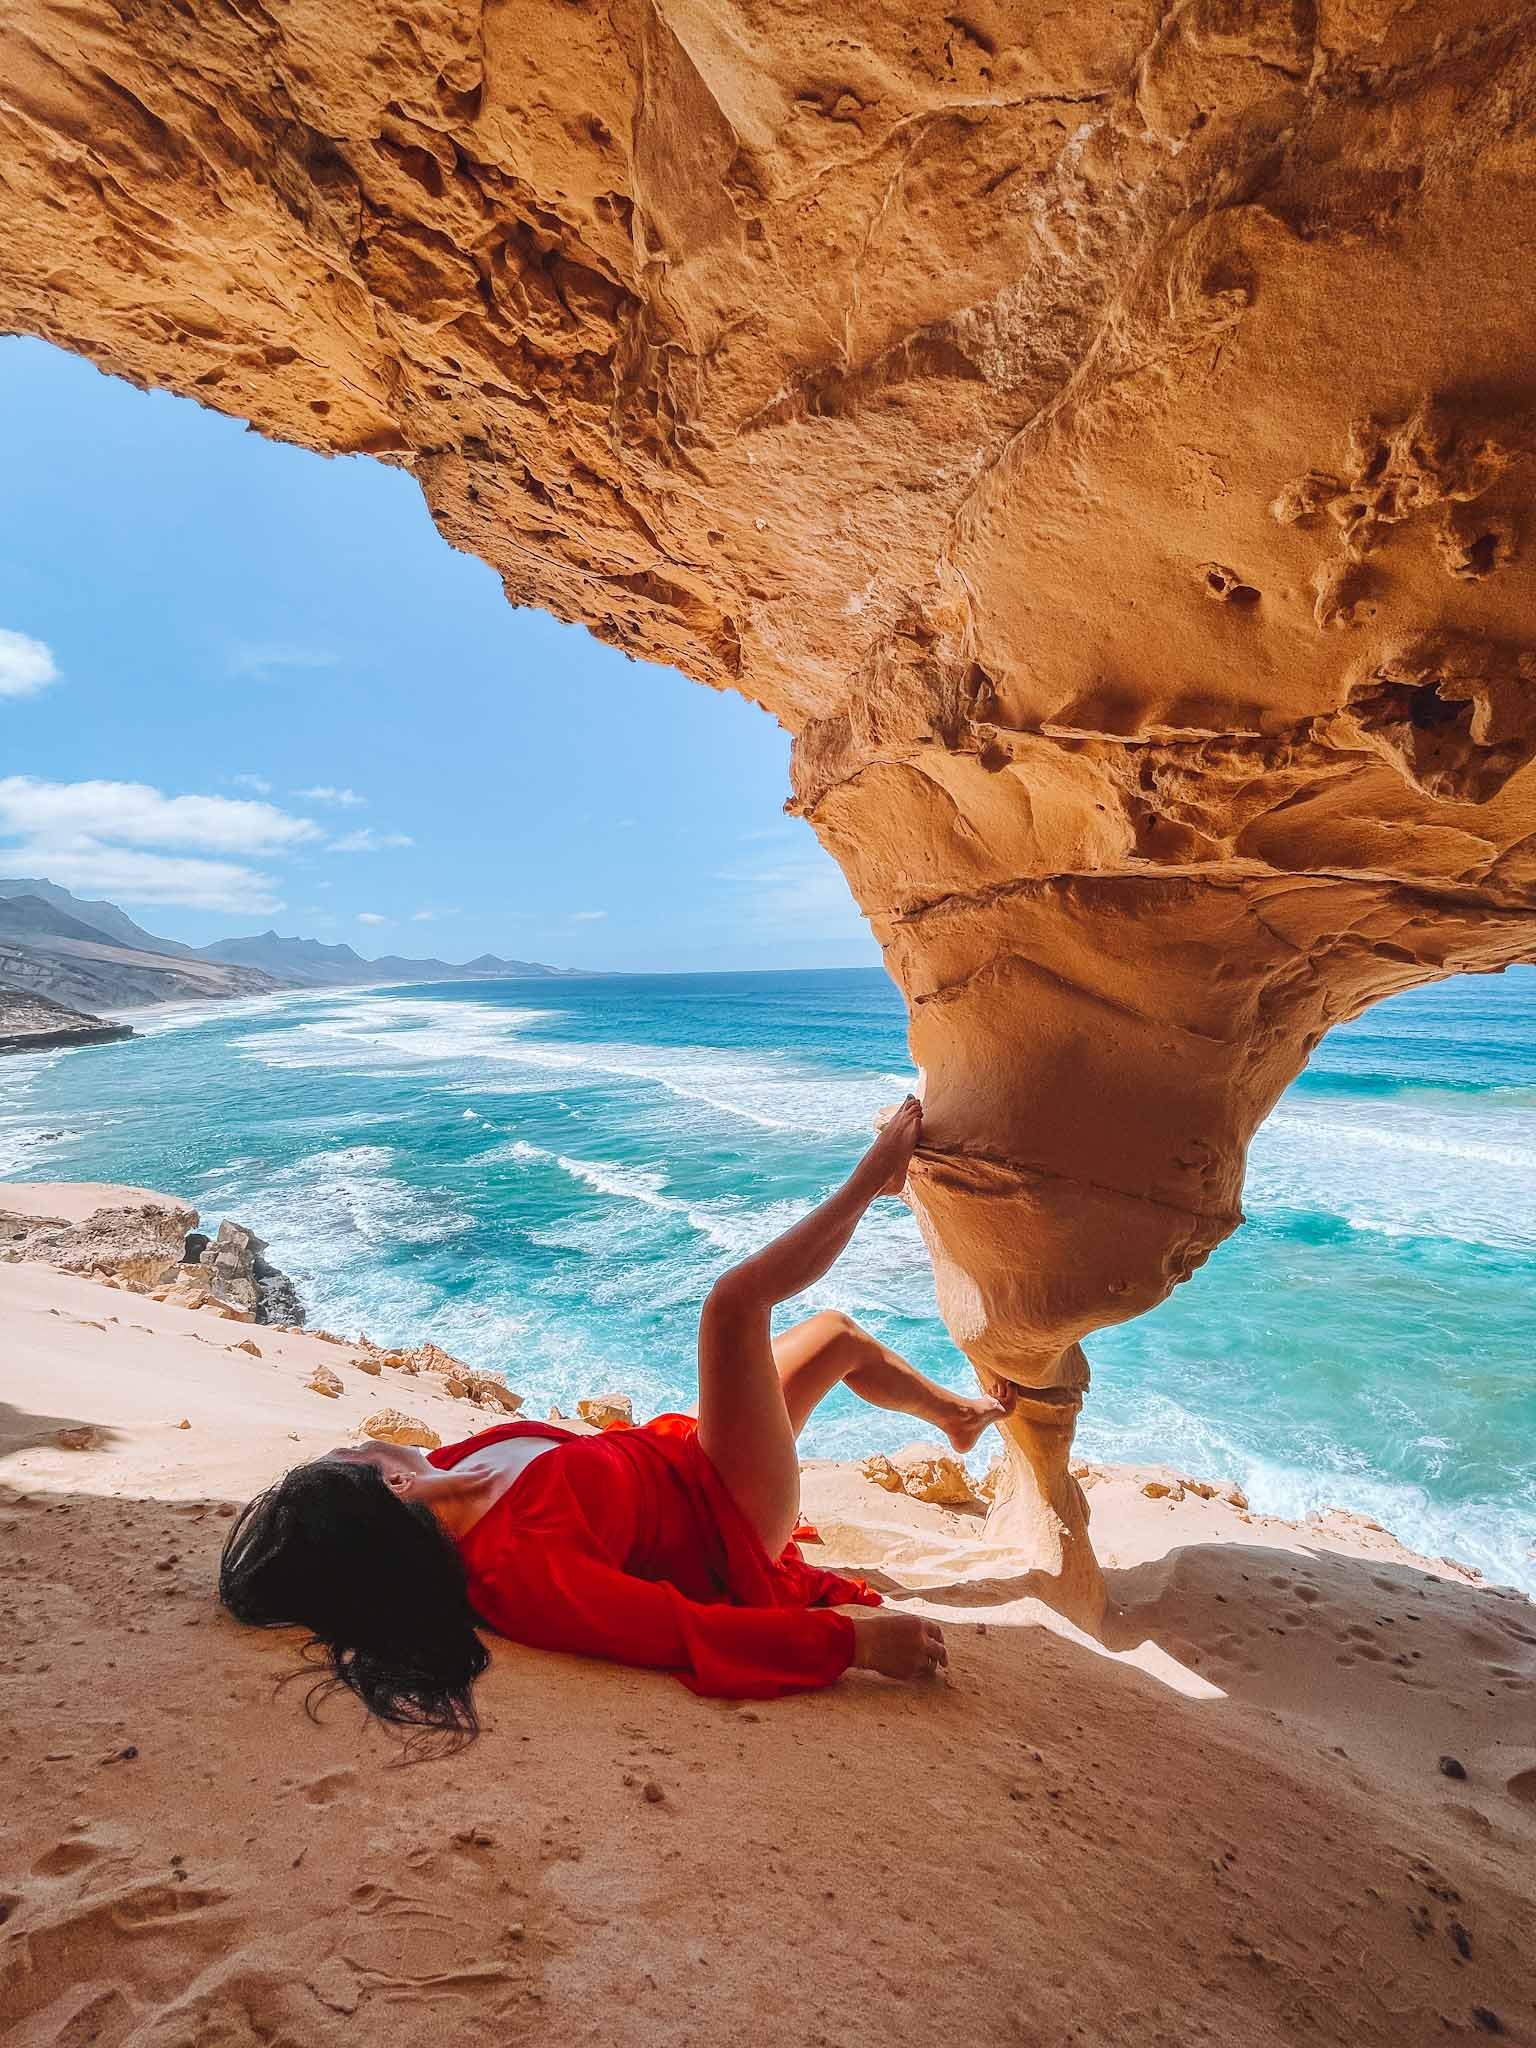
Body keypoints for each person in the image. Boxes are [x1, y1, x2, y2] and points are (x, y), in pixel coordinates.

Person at [220, 1097, 1012, 1746]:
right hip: (731, 1514)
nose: (365, 1436)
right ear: (392, 1487)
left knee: (835, 1336)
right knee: (733, 1306)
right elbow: (682, 1631)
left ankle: (958, 1418)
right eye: (356, 1451)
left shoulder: (449, 1464)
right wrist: (855, 1647)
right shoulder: (521, 1576)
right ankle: (874, 1185)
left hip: (689, 1461)